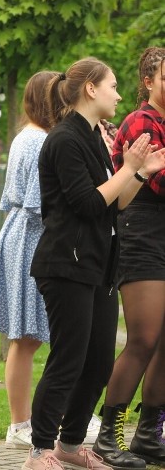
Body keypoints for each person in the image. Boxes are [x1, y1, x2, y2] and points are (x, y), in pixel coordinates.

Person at [24, 58, 165, 470]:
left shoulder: (94, 138)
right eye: (113, 87)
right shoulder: (65, 139)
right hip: (65, 263)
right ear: (90, 89)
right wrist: (130, 170)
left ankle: (70, 444)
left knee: (100, 359)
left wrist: (137, 174)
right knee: (69, 358)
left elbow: (117, 202)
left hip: (99, 264)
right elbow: (88, 203)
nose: (119, 95)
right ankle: (40, 449)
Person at [0, 71, 58, 450]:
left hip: (24, 235)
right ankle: (20, 423)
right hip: (31, 239)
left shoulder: (30, 136)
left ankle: (31, 419)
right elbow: (41, 202)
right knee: (25, 337)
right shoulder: (38, 140)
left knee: (27, 337)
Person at [95, 46, 165, 467]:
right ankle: (108, 435)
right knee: (143, 337)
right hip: (143, 229)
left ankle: (149, 435)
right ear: (149, 82)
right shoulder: (141, 121)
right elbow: (155, 183)